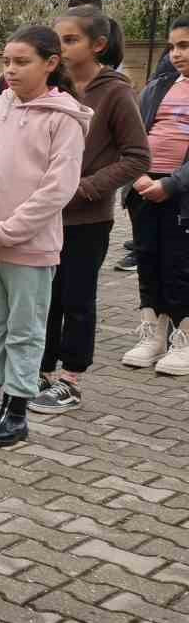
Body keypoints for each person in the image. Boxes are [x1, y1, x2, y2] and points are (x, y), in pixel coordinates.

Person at [0, 25, 90, 448]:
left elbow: (56, 189)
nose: (11, 70)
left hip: (27, 247)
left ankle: (17, 408)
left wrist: (4, 233)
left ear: (50, 64)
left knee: (24, 329)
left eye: (22, 62)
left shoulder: (65, 119)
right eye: (7, 61)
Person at [28, 7, 148, 411]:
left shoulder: (116, 92)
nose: (60, 47)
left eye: (70, 40)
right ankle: (39, 372)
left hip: (87, 219)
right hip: (43, 215)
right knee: (43, 297)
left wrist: (84, 188)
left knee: (77, 299)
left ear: (97, 45)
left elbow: (136, 157)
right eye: (57, 39)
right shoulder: (51, 87)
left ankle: (70, 379)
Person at [122, 19, 189, 375]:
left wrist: (173, 184)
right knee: (148, 259)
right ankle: (154, 333)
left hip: (181, 192)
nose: (177, 54)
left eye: (186, 46)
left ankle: (184, 337)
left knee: (179, 264)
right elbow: (132, 136)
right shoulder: (158, 85)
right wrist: (138, 176)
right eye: (173, 47)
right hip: (145, 185)